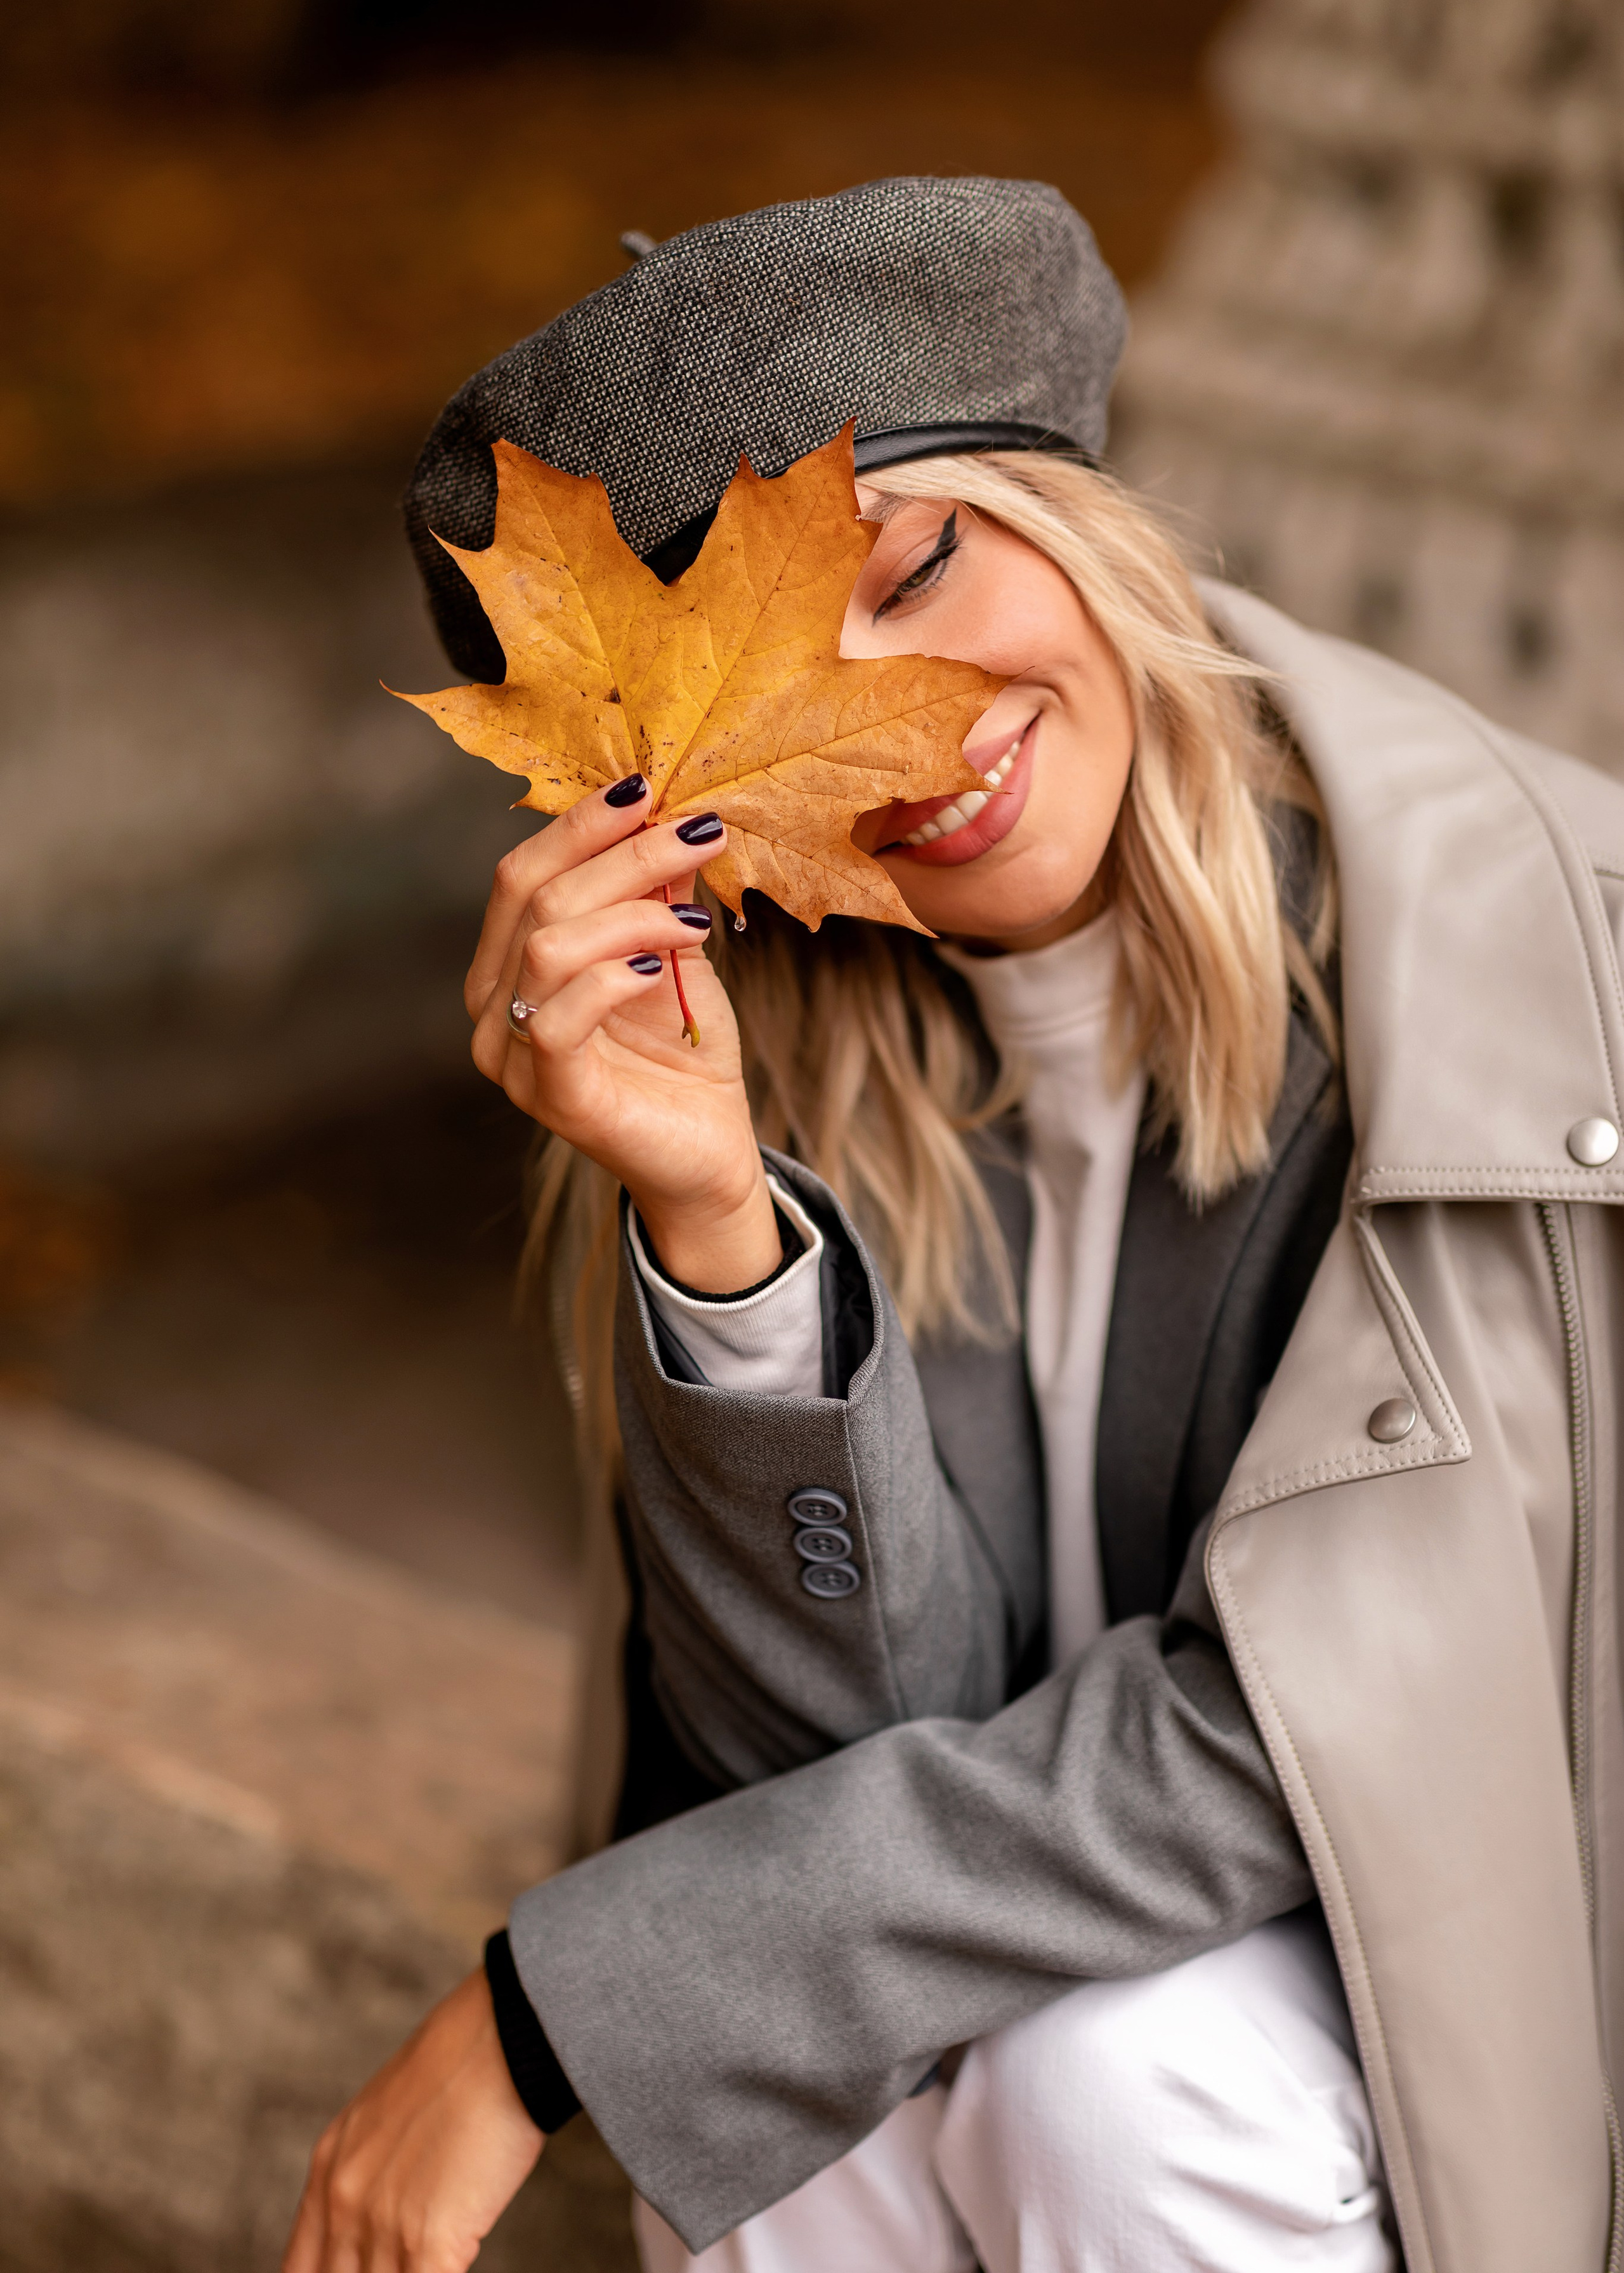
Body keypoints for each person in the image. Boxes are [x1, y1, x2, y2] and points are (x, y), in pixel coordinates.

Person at [283, 179, 1620, 2273]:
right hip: (1036, 2053)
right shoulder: (813, 1058)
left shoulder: (1517, 986)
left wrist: (559, 2017)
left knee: (1107, 2079)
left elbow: (1313, 1739)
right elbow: (826, 1768)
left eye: (915, 569)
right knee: (791, 2121)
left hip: (1461, 2029)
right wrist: (722, 1224)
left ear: (1072, 515)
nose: (903, 728)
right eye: (774, 700)